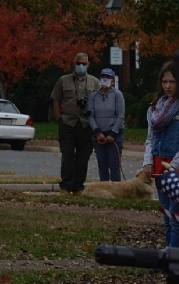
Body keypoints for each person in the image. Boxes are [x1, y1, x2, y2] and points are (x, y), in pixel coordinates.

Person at [142, 61, 179, 248]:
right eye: (165, 81)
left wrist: (174, 166)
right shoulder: (155, 108)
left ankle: (173, 256)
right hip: (159, 164)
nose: (168, 86)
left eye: (173, 82)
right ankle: (169, 253)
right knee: (167, 215)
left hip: (177, 166)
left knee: (176, 215)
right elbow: (150, 139)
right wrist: (147, 161)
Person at [51, 53, 100, 194]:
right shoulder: (63, 80)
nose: (81, 66)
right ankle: (66, 186)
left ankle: (78, 186)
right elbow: (56, 100)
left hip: (86, 124)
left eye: (84, 64)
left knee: (83, 157)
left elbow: (98, 103)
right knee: (67, 155)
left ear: (88, 65)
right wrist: (59, 119)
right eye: (79, 63)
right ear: (74, 63)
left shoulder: (94, 82)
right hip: (67, 123)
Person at [87, 68, 125, 181]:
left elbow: (120, 115)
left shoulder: (117, 95)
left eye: (108, 77)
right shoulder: (94, 96)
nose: (105, 79)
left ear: (113, 81)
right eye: (103, 77)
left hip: (114, 135)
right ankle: (104, 188)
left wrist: (113, 134)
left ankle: (116, 190)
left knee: (114, 164)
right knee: (102, 164)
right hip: (99, 135)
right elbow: (90, 115)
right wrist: (97, 132)